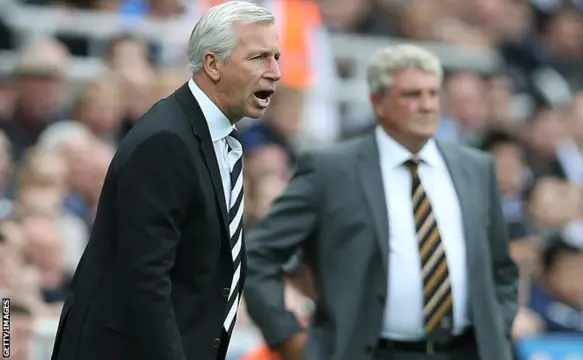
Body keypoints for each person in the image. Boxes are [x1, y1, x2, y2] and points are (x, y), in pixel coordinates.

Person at [243, 44, 518, 360]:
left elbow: (501, 268)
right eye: (412, 95)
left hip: (466, 351)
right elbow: (259, 255)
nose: (427, 105)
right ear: (378, 102)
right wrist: (287, 337)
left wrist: (497, 326)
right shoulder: (331, 170)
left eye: (433, 93)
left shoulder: (476, 168)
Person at [49, 2, 281, 360]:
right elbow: (145, 280)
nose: (275, 72)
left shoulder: (217, 140)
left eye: (276, 57)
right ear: (213, 64)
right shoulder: (166, 141)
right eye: (259, 58)